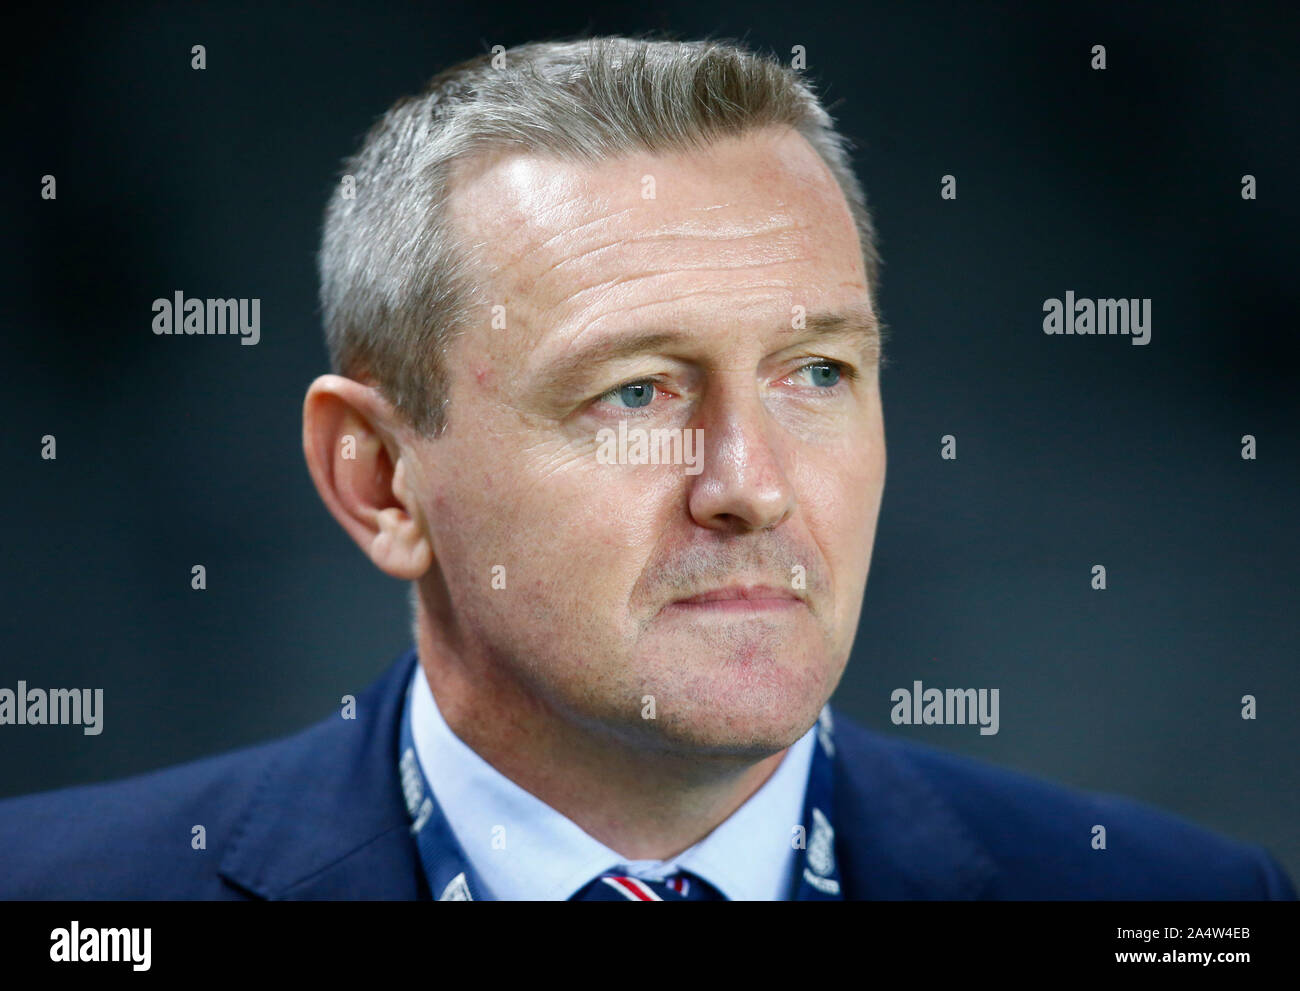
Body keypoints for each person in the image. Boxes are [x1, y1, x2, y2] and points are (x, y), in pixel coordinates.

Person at [0, 36, 1292, 901]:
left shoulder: (1183, 904)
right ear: (380, 479)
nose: (752, 483)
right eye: (637, 392)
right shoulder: (61, 901)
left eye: (818, 374)